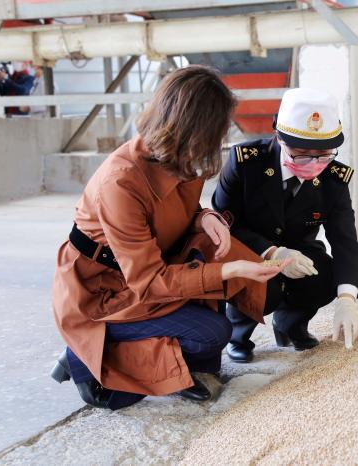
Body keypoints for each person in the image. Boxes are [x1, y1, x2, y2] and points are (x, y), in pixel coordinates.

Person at [49, 65, 290, 410]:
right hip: (104, 290)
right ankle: (85, 351)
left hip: (148, 266)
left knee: (237, 293)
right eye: (217, 131)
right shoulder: (120, 182)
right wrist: (229, 270)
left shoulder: (176, 157)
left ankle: (179, 367)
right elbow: (149, 281)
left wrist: (206, 217)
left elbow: (168, 215)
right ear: (193, 129)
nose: (220, 140)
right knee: (212, 332)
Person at [213, 88, 358, 363]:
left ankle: (290, 325)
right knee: (262, 286)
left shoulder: (333, 179)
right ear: (279, 137)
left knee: (325, 274)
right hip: (250, 251)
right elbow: (224, 223)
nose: (313, 162)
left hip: (301, 250)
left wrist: (347, 298)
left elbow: (345, 240)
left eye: (323, 154)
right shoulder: (245, 163)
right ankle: (239, 335)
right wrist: (273, 252)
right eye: (301, 153)